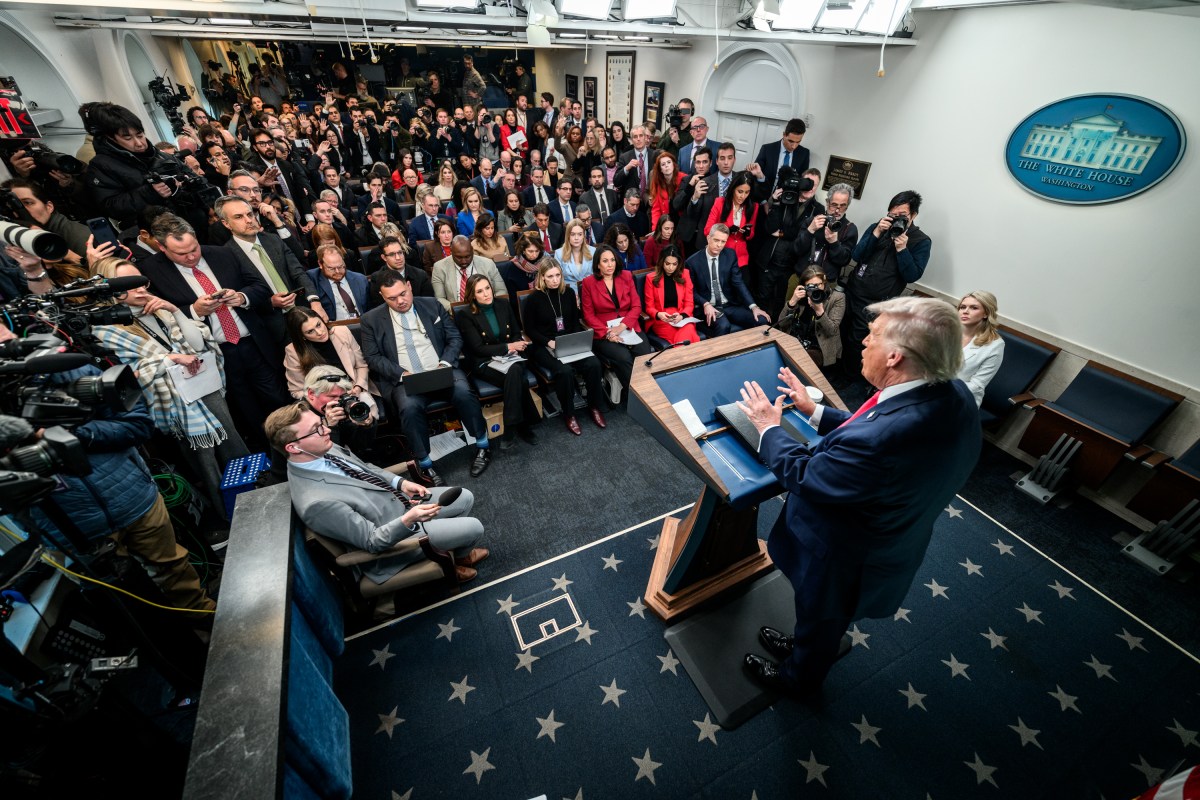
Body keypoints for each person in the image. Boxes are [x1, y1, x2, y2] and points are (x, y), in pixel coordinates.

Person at [735, 297, 981, 698]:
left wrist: (768, 427)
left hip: (845, 553)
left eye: (874, 335)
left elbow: (808, 475)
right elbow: (870, 427)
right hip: (892, 536)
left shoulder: (882, 440)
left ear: (896, 356)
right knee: (818, 619)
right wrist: (814, 411)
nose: (864, 342)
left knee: (822, 616)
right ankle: (803, 646)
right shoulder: (952, 393)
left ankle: (798, 679)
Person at [265, 403, 488, 603]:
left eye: (321, 423)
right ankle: (453, 561)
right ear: (293, 448)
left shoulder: (319, 445)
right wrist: (409, 518)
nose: (326, 430)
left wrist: (400, 483)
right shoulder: (316, 502)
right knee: (474, 528)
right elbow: (372, 541)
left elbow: (364, 468)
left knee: (465, 497)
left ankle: (459, 555)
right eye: (316, 429)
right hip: (396, 537)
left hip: (400, 503)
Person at [90, 257, 249, 523]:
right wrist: (169, 359)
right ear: (112, 291)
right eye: (131, 285)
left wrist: (175, 311)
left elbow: (198, 344)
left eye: (141, 282)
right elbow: (124, 378)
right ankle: (231, 518)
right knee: (207, 467)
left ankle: (257, 493)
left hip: (204, 386)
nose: (141, 289)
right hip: (174, 407)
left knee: (234, 445)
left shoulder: (160, 310)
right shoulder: (106, 330)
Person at [140, 214, 289, 445]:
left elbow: (260, 287)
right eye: (181, 253)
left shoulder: (223, 253)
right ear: (161, 247)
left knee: (277, 399)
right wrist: (193, 310)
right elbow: (157, 316)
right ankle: (265, 459)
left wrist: (241, 297)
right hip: (213, 355)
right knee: (243, 412)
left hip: (252, 344)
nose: (191, 256)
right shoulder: (150, 270)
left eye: (194, 248)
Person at [360, 271, 493, 483]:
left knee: (464, 393)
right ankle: (425, 465)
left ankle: (483, 445)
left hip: (440, 368)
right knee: (409, 408)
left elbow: (454, 338)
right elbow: (373, 357)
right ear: (382, 297)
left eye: (403, 293)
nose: (400, 301)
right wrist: (402, 374)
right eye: (392, 298)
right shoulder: (371, 320)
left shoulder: (432, 305)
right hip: (405, 378)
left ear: (409, 286)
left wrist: (444, 364)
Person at [844, 190, 933, 379]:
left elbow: (912, 275)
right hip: (853, 289)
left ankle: (848, 379)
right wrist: (876, 233)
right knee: (841, 331)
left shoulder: (921, 241)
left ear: (914, 215)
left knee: (856, 341)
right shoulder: (878, 227)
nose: (896, 219)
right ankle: (833, 369)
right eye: (893, 215)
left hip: (876, 301)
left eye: (902, 216)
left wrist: (902, 249)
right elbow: (857, 255)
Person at [456, 275, 542, 448]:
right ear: (472, 295)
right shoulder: (465, 315)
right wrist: (507, 346)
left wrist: (515, 345)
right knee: (518, 377)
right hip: (486, 361)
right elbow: (477, 348)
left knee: (515, 371)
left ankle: (510, 426)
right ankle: (521, 426)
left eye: (487, 288)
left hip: (512, 357)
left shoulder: (503, 304)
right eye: (480, 291)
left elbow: (517, 332)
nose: (486, 294)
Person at [523, 260, 606, 435]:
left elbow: (575, 321)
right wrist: (549, 342)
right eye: (550, 276)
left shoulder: (568, 293)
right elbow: (530, 329)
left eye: (557, 275)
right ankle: (569, 414)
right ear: (542, 278)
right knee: (565, 371)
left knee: (594, 364)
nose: (554, 280)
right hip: (544, 345)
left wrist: (575, 339)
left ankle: (594, 406)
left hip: (569, 341)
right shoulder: (534, 298)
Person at [580, 243, 652, 404]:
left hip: (628, 326)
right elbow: (588, 315)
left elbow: (636, 306)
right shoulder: (588, 283)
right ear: (597, 264)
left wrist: (622, 326)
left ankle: (649, 391)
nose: (610, 264)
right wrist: (608, 332)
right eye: (605, 261)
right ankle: (636, 397)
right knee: (624, 357)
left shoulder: (626, 276)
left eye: (612, 260)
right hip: (604, 332)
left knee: (644, 353)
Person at [685, 225, 770, 338]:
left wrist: (753, 306)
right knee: (724, 326)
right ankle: (719, 355)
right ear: (708, 238)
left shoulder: (730, 255)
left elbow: (738, 283)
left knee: (761, 320)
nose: (719, 245)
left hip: (729, 305)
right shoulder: (692, 262)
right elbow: (691, 290)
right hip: (708, 307)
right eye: (716, 240)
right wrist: (705, 304)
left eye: (723, 241)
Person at [283, 307, 375, 402]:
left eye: (318, 325)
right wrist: (323, 399)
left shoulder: (342, 332)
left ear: (322, 320)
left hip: (354, 390)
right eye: (310, 331)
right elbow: (297, 391)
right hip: (324, 402)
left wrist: (358, 386)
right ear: (302, 336)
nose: (319, 332)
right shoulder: (294, 351)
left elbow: (362, 366)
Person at [301, 363, 380, 462]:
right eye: (332, 396)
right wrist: (332, 427)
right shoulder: (299, 420)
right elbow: (327, 462)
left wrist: (367, 425)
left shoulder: (342, 406)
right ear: (311, 393)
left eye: (342, 395)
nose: (338, 401)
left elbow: (362, 448)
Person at [777, 267, 844, 371]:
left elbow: (832, 331)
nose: (816, 289)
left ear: (824, 282)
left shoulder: (837, 298)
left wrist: (820, 311)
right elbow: (782, 323)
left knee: (800, 363)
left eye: (818, 285)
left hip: (819, 345)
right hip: (796, 339)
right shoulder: (801, 297)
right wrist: (792, 302)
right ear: (804, 286)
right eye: (811, 286)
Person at [794, 182, 858, 289]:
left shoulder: (850, 228)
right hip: (800, 278)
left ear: (847, 206)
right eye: (834, 205)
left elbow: (844, 261)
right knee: (790, 305)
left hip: (825, 284)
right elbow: (796, 250)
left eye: (842, 206)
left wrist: (834, 243)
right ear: (827, 202)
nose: (837, 210)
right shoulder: (812, 221)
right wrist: (810, 230)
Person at [431, 235, 509, 311]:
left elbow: (501, 291)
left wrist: (489, 307)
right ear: (451, 251)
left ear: (472, 250)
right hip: (457, 314)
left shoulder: (488, 264)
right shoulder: (439, 268)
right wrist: (457, 311)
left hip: (486, 309)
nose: (464, 261)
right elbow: (440, 298)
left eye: (467, 256)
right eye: (459, 257)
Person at [644, 244, 699, 347]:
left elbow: (689, 303)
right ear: (661, 262)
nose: (671, 267)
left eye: (674, 264)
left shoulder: (685, 274)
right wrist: (658, 314)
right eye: (667, 263)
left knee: (687, 330)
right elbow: (649, 307)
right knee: (686, 338)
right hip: (662, 320)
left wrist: (682, 316)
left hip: (682, 316)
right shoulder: (651, 278)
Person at [956, 291, 1005, 406]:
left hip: (960, 398)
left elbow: (977, 385)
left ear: (986, 313)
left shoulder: (995, 345)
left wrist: (940, 390)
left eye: (974, 308)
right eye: (962, 307)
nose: (965, 311)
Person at [704, 172, 758, 269]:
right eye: (740, 191)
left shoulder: (753, 207)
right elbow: (707, 230)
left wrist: (747, 233)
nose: (743, 196)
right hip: (720, 254)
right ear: (733, 189)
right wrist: (727, 230)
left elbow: (752, 234)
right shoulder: (720, 203)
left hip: (741, 258)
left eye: (747, 192)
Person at [366, 236, 434, 309]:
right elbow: (379, 308)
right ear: (384, 257)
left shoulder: (420, 275)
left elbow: (428, 304)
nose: (398, 258)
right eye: (392, 254)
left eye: (400, 252)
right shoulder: (377, 279)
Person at [309, 244, 369, 321]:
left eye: (341, 266)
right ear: (320, 264)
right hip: (334, 327)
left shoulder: (360, 279)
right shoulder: (312, 279)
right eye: (331, 268)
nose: (337, 272)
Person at [751, 117, 810, 192]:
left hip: (789, 200)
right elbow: (756, 175)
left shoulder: (804, 154)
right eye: (791, 141)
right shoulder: (767, 149)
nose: (794, 146)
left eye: (798, 142)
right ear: (784, 134)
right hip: (765, 196)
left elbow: (803, 180)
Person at [555, 219, 593, 297]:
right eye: (572, 234)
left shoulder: (593, 251)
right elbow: (558, 280)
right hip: (567, 294)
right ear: (568, 235)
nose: (576, 238)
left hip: (590, 292)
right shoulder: (559, 253)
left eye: (579, 234)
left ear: (583, 235)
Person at [648, 151, 685, 229]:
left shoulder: (684, 178)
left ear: (674, 165)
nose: (666, 166)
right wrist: (655, 229)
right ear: (660, 169)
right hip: (667, 222)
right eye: (663, 164)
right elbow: (656, 209)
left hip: (683, 222)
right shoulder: (658, 182)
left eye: (669, 162)